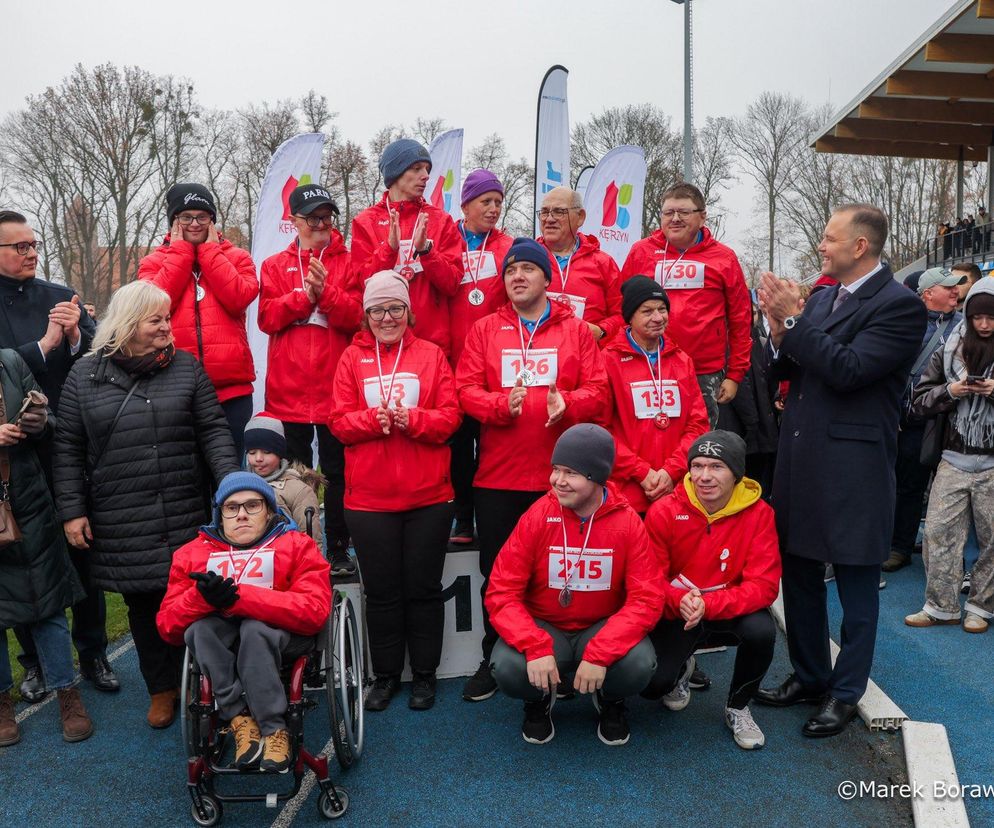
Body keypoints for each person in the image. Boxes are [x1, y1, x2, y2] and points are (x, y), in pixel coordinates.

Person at [755, 204, 926, 737]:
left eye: (830, 239)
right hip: (801, 459)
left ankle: (845, 693)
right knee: (799, 575)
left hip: (854, 466)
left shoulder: (900, 306)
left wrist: (791, 321)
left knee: (854, 584)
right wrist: (776, 327)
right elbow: (786, 367)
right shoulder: (824, 296)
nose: (821, 247)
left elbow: (849, 371)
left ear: (860, 247)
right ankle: (810, 675)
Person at [53, 280, 240, 728]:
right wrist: (73, 511)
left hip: (183, 507)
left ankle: (201, 683)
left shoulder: (187, 368)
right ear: (128, 323)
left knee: (195, 599)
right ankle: (161, 689)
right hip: (121, 514)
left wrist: (231, 485)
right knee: (144, 607)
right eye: (155, 319)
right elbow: (67, 448)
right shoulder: (85, 375)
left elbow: (213, 430)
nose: (166, 327)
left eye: (166, 318)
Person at [456, 237, 610, 703]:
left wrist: (570, 404)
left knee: (559, 574)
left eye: (527, 268)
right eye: (510, 271)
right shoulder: (485, 329)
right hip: (500, 478)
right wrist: (500, 405)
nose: (517, 276)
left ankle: (567, 659)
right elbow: (465, 390)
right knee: (497, 575)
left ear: (547, 277)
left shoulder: (577, 331)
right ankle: (495, 656)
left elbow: (600, 392)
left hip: (563, 481)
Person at [330, 271, 461, 712]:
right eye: (377, 310)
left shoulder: (432, 355)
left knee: (423, 589)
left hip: (428, 498)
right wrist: (374, 422)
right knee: (382, 592)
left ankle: (424, 675)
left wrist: (413, 420)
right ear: (366, 315)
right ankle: (386, 675)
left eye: (395, 308)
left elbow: (450, 419)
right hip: (369, 501)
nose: (387, 317)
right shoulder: (351, 358)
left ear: (408, 311)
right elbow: (339, 422)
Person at [487, 424, 664, 746]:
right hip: (546, 627)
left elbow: (647, 598)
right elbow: (502, 591)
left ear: (596, 478)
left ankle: (611, 701)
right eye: (556, 470)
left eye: (570, 472)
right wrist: (534, 645)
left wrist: (600, 652)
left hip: (599, 626)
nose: (557, 480)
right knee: (508, 668)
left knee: (639, 664)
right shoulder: (538, 516)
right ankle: (538, 702)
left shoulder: (627, 523)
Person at [0, 210, 111, 703]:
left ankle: (93, 652)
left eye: (32, 244)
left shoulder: (57, 292)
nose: (30, 253)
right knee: (20, 560)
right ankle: (37, 664)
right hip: (12, 454)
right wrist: (44, 345)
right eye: (18, 247)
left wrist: (75, 336)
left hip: (67, 442)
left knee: (81, 548)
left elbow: (98, 355)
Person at [157, 472, 331, 773]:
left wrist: (239, 598)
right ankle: (238, 717)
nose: (241, 515)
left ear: (268, 511)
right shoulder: (191, 555)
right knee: (198, 629)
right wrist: (201, 599)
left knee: (254, 629)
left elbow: (314, 610)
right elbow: (168, 627)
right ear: (219, 514)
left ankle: (274, 728)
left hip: (285, 638)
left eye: (252, 505)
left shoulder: (297, 546)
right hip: (224, 641)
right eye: (231, 507)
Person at [643, 431, 780, 750]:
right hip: (678, 611)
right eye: (698, 465)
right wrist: (680, 601)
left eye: (716, 467)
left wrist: (709, 604)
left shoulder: (760, 515)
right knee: (651, 686)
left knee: (761, 630)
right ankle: (679, 671)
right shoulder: (664, 511)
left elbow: (764, 585)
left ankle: (738, 706)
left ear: (736, 473)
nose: (704, 476)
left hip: (725, 610)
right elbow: (648, 581)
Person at [258, 184, 361, 575]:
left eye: (327, 217)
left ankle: (337, 548)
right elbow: (267, 318)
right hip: (290, 391)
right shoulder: (273, 265)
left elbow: (357, 318)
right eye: (313, 218)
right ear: (295, 222)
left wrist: (327, 293)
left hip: (337, 389)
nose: (322, 225)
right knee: (295, 475)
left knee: (338, 473)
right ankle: (298, 547)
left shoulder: (348, 262)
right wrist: (304, 296)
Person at [0, 348, 93, 746]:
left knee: (49, 603)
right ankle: (1, 703)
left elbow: (50, 420)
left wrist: (38, 422)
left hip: (30, 500)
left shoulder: (9, 362)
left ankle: (67, 694)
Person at [138, 183, 259, 456]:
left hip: (231, 391)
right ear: (174, 222)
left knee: (229, 471)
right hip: (175, 387)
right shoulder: (153, 262)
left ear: (213, 221)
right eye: (186, 217)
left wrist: (209, 253)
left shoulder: (237, 258)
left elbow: (239, 298)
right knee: (185, 473)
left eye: (202, 217)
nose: (194, 223)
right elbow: (154, 306)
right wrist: (181, 253)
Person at [621, 183, 752, 427]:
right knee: (649, 437)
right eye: (668, 213)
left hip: (703, 372)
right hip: (647, 365)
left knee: (697, 443)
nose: (675, 219)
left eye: (684, 212)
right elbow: (621, 310)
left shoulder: (723, 258)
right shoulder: (641, 252)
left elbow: (740, 319)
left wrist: (735, 375)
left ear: (702, 217)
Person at [905, 279, 994, 633]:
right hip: (953, 457)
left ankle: (981, 607)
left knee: (992, 541)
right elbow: (917, 400)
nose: (984, 324)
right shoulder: (949, 347)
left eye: (991, 317)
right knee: (938, 532)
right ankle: (940, 605)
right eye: (978, 317)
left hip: (992, 462)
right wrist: (951, 391)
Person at [603, 275, 708, 515]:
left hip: (676, 489)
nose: (658, 317)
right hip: (628, 492)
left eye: (662, 309)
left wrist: (672, 471)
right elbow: (602, 428)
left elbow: (698, 424)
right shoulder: (608, 360)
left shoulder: (682, 361)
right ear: (630, 316)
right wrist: (642, 472)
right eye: (647, 311)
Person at [448, 170, 515, 545]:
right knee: (458, 446)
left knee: (490, 444)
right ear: (466, 205)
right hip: (452, 356)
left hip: (494, 361)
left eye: (498, 203)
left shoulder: (507, 246)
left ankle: (489, 513)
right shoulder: (447, 241)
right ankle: (461, 516)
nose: (493, 209)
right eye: (486, 202)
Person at [349, 139, 463, 356]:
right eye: (417, 168)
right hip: (383, 346)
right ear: (396, 172)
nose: (426, 176)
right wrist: (389, 251)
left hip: (432, 345)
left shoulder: (440, 220)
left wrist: (427, 253)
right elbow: (363, 283)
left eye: (427, 169)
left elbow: (453, 284)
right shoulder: (365, 222)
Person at [884, 267, 964, 572]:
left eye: (956, 286)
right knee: (909, 484)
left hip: (953, 421)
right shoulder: (908, 325)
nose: (955, 291)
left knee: (950, 489)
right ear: (928, 294)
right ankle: (899, 546)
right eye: (948, 287)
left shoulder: (965, 326)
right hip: (914, 421)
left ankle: (938, 547)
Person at [536, 187, 623, 346]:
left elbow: (622, 314)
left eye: (558, 212)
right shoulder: (525, 261)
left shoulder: (603, 263)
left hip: (589, 359)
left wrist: (602, 331)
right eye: (544, 212)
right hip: (538, 358)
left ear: (580, 217)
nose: (549, 219)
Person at [244, 413, 325, 553]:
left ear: (280, 452)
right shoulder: (237, 488)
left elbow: (311, 543)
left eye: (267, 452)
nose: (258, 458)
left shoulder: (300, 490)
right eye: (252, 452)